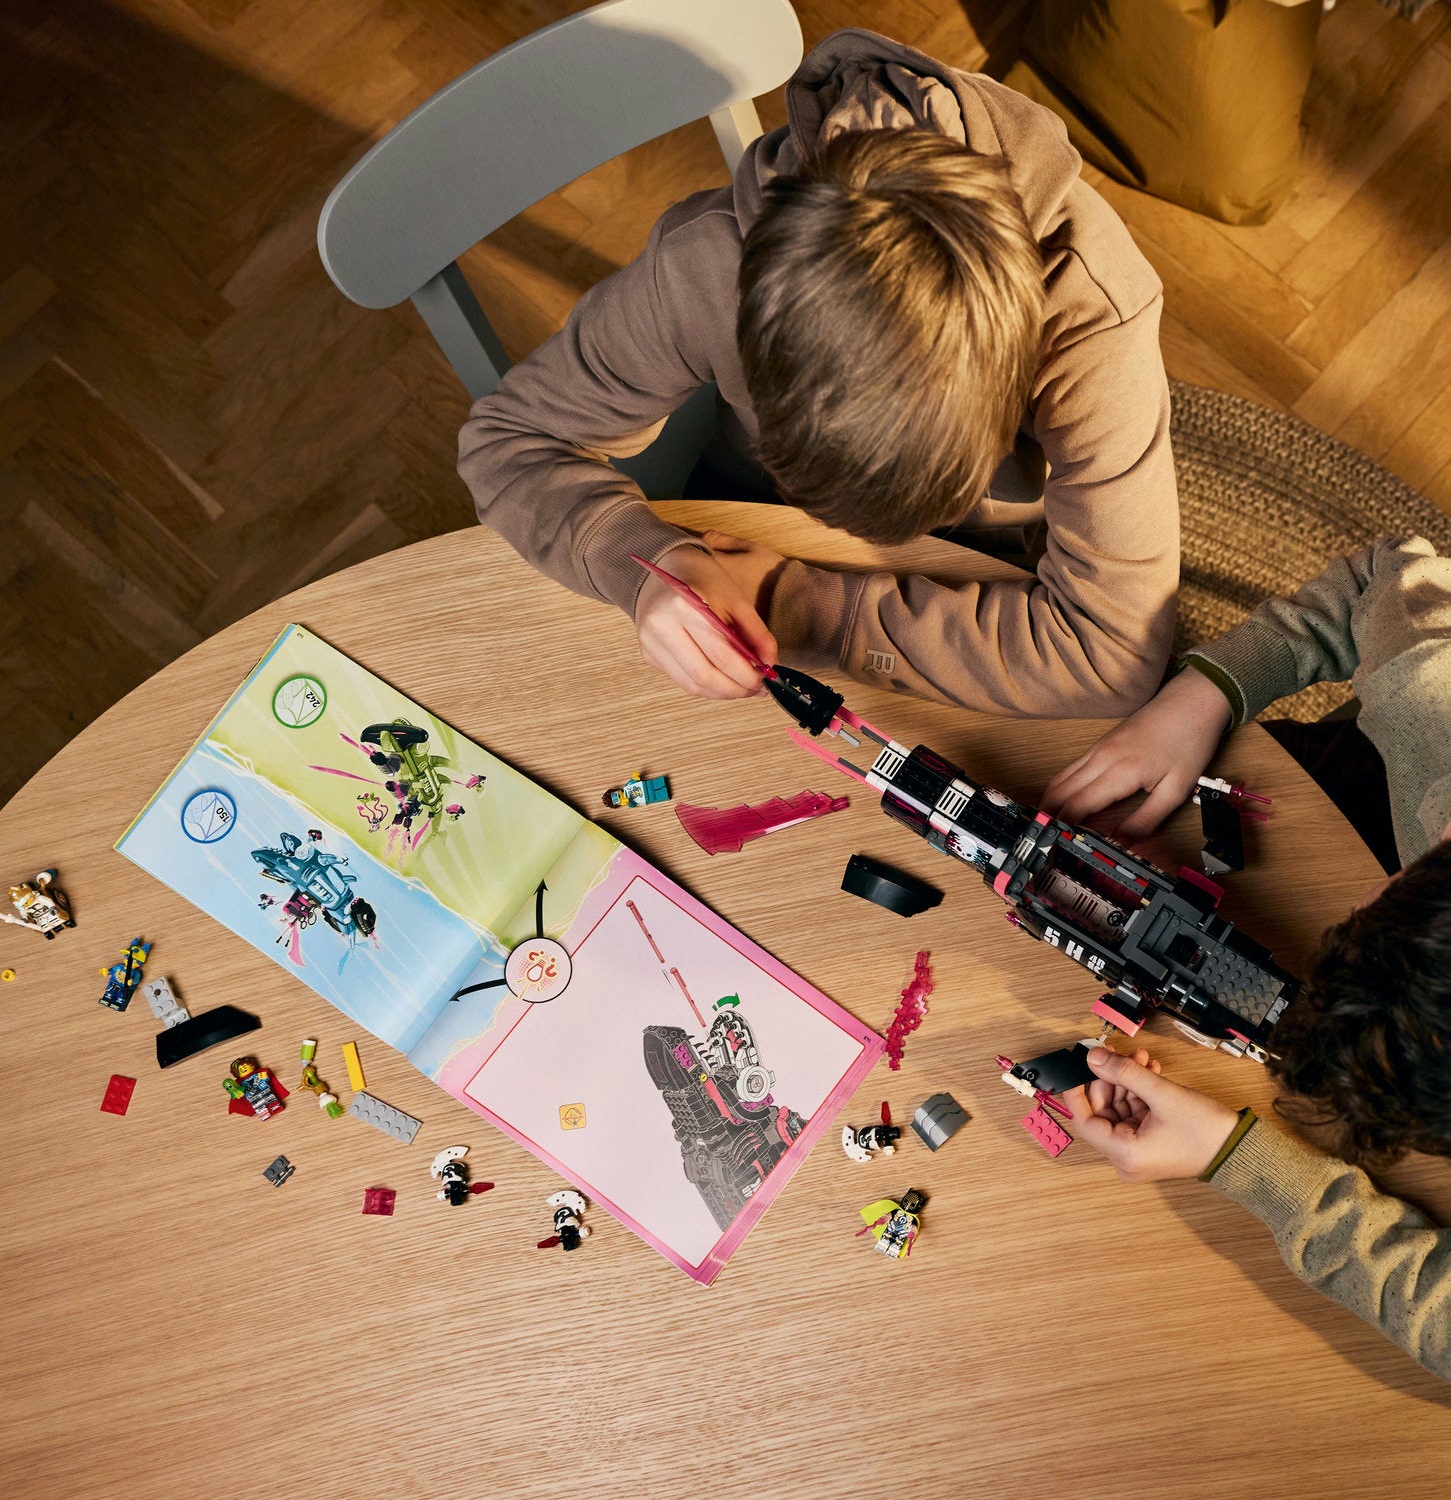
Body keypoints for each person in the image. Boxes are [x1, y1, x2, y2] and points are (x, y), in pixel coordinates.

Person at [458, 29, 1179, 719]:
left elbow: (1111, 653)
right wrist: (642, 563)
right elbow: (509, 439)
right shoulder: (706, 265)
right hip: (748, 518)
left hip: (980, 563)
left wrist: (802, 607)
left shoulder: (1096, 318)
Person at [1043, 534, 1451, 1378]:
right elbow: (1378, 577)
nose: (1357, 899)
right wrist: (1203, 694)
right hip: (1365, 764)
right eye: (1376, 907)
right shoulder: (1432, 699)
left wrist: (1243, 1164)